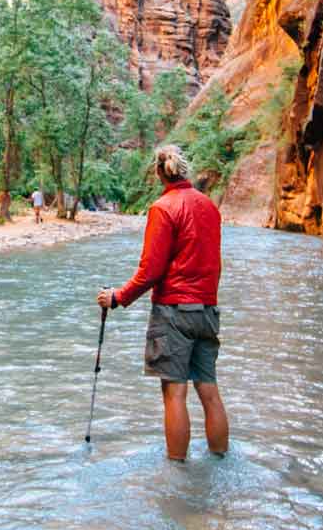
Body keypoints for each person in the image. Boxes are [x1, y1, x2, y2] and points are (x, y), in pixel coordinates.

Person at [96, 144, 229, 462]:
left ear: (158, 172)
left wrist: (118, 297)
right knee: (208, 390)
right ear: (186, 170)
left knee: (175, 393)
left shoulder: (163, 208)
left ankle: (177, 476)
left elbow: (150, 271)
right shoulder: (210, 207)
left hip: (174, 313)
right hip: (208, 311)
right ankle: (221, 459)